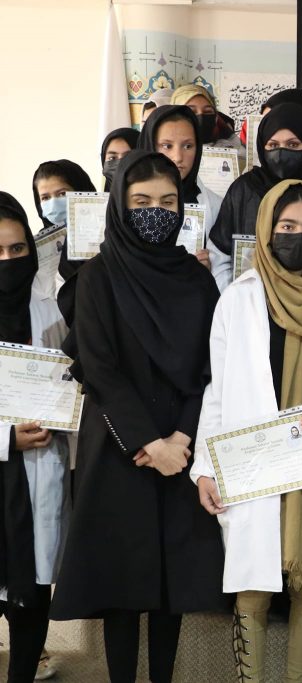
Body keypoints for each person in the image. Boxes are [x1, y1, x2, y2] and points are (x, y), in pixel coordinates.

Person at [50, 150, 225, 683]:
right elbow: (100, 368)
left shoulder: (196, 282)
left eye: (168, 202)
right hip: (121, 446)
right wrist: (150, 443)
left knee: (170, 589)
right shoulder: (98, 277)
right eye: (142, 201)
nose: (156, 211)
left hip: (181, 447)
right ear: (121, 206)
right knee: (123, 588)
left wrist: (183, 438)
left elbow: (208, 369)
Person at [192, 179, 302, 682]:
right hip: (251, 457)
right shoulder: (237, 299)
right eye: (286, 227)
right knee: (252, 578)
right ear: (265, 230)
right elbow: (217, 389)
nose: (297, 237)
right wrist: (205, 469)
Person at [0, 193, 70, 683]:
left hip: (39, 474)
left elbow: (73, 385)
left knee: (30, 605)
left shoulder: (51, 311)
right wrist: (6, 438)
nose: (7, 262)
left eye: (17, 250)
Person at [208, 103, 302, 291]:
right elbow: (219, 255)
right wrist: (236, 299)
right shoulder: (245, 189)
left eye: (293, 144)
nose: (281, 154)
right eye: (273, 145)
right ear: (262, 147)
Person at [138, 105, 224, 274]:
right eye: (167, 146)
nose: (178, 157)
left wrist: (205, 273)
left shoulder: (216, 206)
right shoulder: (128, 202)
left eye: (188, 146)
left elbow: (223, 271)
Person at [31, 159, 97, 319]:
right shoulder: (33, 247)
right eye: (45, 198)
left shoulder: (109, 236)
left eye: (62, 194)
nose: (53, 203)